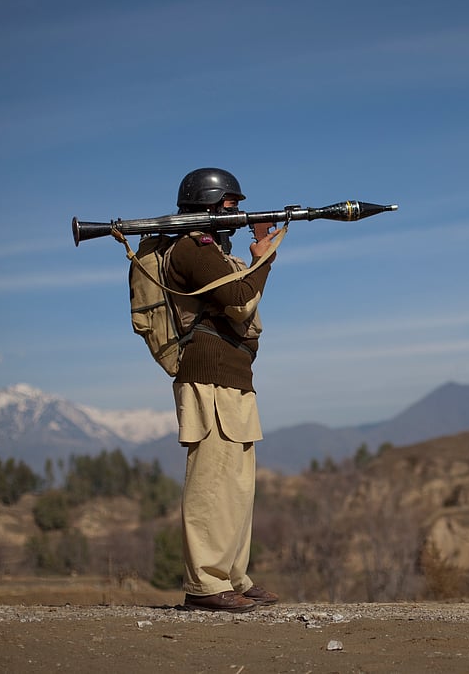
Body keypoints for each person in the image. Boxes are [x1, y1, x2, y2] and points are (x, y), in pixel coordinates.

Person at [165, 167, 283, 612]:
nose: (236, 215)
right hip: (208, 375)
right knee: (210, 482)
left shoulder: (211, 249)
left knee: (236, 486)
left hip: (233, 377)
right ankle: (204, 585)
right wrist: (264, 257)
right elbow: (238, 299)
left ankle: (232, 576)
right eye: (230, 207)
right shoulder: (193, 249)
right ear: (209, 207)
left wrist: (255, 254)